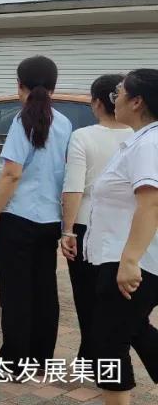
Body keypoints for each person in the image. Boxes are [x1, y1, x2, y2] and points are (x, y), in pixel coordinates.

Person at [0, 55, 72, 379]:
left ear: (20, 85)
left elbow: (11, 174)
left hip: (18, 220)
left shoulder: (21, 120)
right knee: (44, 290)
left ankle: (14, 363)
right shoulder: (65, 123)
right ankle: (40, 358)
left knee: (16, 293)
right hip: (49, 221)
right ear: (54, 86)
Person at [86, 69, 158, 405]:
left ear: (137, 100)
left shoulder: (151, 143)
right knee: (135, 330)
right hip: (123, 257)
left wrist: (130, 260)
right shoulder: (140, 140)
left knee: (108, 345)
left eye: (119, 92)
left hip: (132, 262)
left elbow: (151, 202)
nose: (113, 98)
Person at [59, 74, 134, 368]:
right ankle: (112, 358)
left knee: (86, 295)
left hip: (86, 226)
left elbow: (74, 187)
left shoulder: (83, 136)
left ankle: (90, 357)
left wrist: (67, 231)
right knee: (118, 297)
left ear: (97, 103)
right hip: (127, 227)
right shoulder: (142, 137)